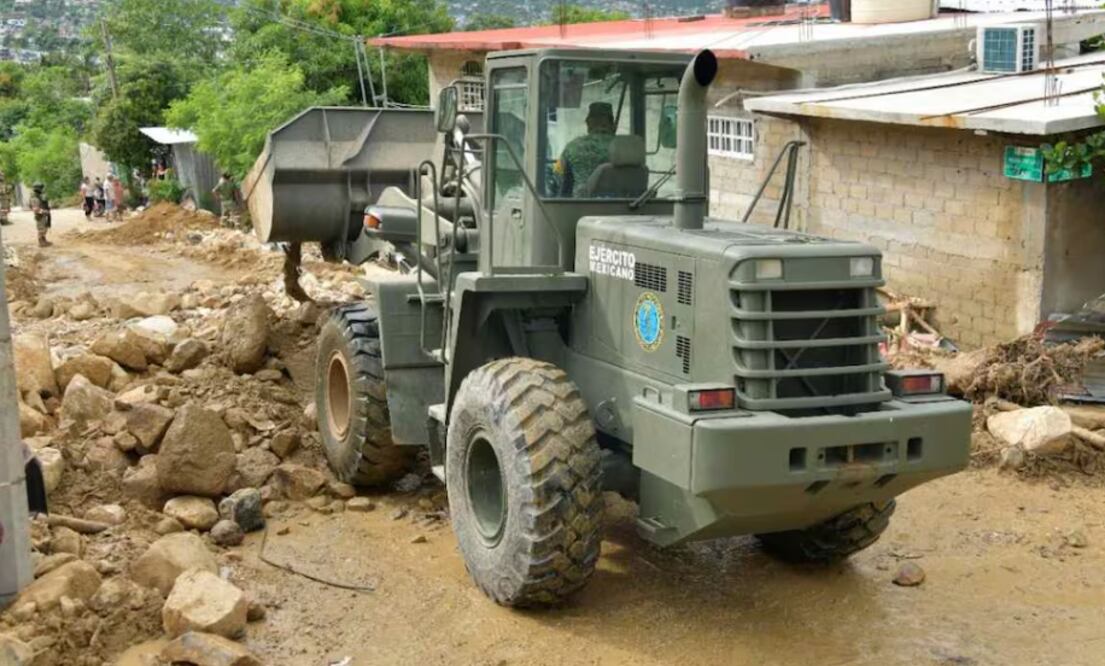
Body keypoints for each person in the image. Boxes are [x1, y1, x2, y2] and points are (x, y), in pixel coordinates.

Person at [555, 102, 617, 198]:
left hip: (582, 207)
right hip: (626, 208)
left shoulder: (573, 147)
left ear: (588, 123)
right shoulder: (626, 149)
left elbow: (558, 175)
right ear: (612, 124)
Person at [29, 182, 52, 247]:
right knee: (41, 229)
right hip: (40, 215)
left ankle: (44, 240)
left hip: (44, 214)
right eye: (41, 188)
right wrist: (44, 211)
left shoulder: (39, 196)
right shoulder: (34, 197)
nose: (42, 189)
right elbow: (35, 209)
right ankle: (41, 242)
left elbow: (44, 203)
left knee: (45, 228)